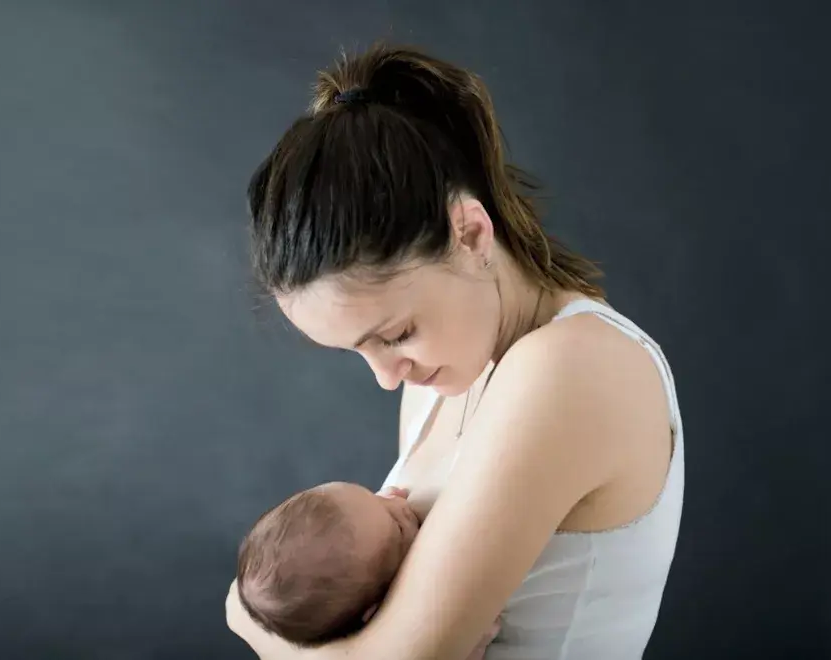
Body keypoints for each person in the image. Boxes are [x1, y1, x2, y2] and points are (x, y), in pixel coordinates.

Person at [225, 41, 684, 660]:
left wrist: (252, 629)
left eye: (396, 333)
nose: (387, 378)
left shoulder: (571, 366)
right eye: (357, 351)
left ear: (470, 233)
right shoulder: (436, 381)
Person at [234, 481, 501, 659]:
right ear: (374, 609)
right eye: (397, 524)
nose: (399, 499)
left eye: (375, 495)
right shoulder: (426, 629)